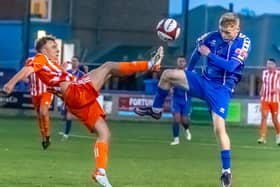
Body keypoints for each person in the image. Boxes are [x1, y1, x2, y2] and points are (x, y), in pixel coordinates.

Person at [3, 35, 164, 187]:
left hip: (77, 101)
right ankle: (151, 65)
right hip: (76, 93)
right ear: (44, 51)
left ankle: (100, 171)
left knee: (104, 133)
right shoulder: (40, 58)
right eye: (53, 47)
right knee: (108, 66)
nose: (56, 50)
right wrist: (11, 84)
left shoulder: (54, 66)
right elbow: (27, 70)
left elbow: (59, 77)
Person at [134, 12, 251, 187]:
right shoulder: (211, 37)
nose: (224, 35)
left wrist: (209, 54)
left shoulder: (244, 42)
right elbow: (198, 52)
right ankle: (156, 110)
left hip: (222, 89)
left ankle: (226, 172)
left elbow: (231, 66)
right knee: (167, 75)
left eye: (228, 32)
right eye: (222, 31)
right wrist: (188, 72)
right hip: (203, 81)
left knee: (219, 129)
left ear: (237, 29)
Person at [25, 58, 53, 150]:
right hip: (34, 93)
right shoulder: (29, 60)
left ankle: (48, 135)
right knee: (39, 116)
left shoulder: (49, 60)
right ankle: (44, 138)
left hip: (46, 91)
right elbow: (25, 74)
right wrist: (26, 79)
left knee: (43, 111)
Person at [60, 56, 85, 141]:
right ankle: (66, 134)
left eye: (75, 61)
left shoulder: (81, 74)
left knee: (73, 115)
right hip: (69, 96)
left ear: (78, 63)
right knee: (68, 116)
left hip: (77, 96)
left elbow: (85, 84)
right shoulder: (68, 72)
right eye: (72, 61)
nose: (74, 62)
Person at [170, 56, 192, 146]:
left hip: (186, 99)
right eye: (179, 61)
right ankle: (176, 139)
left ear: (185, 63)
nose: (181, 63)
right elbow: (169, 83)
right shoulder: (173, 73)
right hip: (176, 99)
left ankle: (186, 129)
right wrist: (171, 88)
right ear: (177, 63)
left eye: (183, 61)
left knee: (184, 120)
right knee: (176, 119)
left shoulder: (189, 73)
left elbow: (191, 86)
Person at [258, 58, 280, 145]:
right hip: (265, 98)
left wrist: (277, 89)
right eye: (267, 64)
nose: (269, 65)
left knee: (275, 119)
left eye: (270, 64)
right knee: (264, 116)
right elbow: (264, 83)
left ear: (275, 65)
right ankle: (262, 137)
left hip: (275, 99)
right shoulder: (264, 73)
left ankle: (278, 135)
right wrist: (261, 90)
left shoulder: (278, 74)